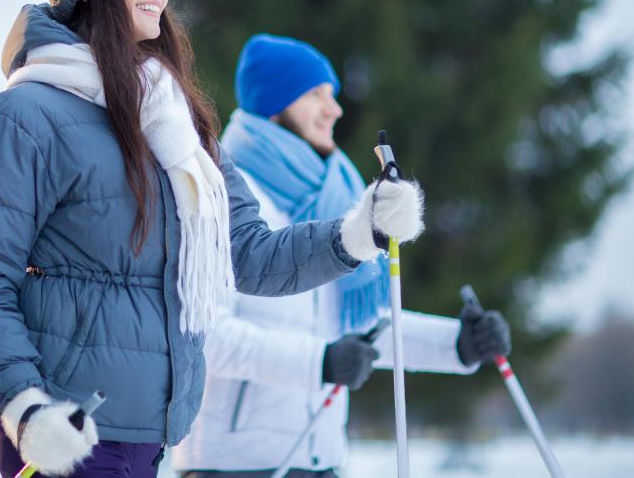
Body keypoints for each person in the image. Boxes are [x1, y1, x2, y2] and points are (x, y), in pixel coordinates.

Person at [0, 0, 425, 478]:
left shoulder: (177, 125)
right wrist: (25, 406)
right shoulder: (26, 115)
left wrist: (361, 231)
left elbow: (251, 256)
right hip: (62, 430)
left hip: (151, 430)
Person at [172, 34, 512, 478]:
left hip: (321, 458)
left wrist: (458, 345)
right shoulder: (224, 196)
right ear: (273, 105)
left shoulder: (334, 197)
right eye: (315, 95)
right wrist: (320, 362)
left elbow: (359, 329)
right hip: (236, 465)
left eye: (331, 95)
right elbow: (205, 337)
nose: (334, 109)